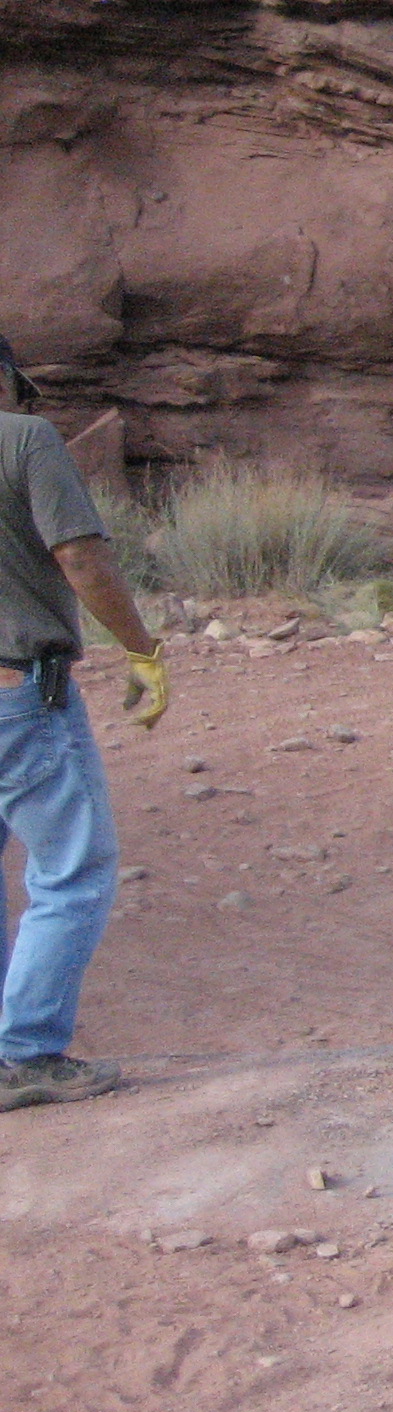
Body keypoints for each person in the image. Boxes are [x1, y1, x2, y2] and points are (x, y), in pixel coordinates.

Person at [0, 337, 168, 1111]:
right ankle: (28, 1051)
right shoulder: (25, 440)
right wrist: (143, 652)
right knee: (76, 869)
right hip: (19, 698)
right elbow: (83, 559)